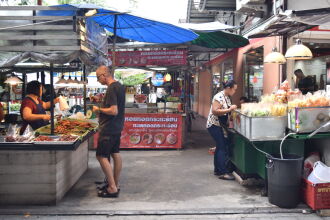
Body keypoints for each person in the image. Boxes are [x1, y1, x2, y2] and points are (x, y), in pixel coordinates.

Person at [92, 65, 125, 198]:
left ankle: (112, 187)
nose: (98, 80)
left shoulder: (111, 88)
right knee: (115, 153)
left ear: (104, 75)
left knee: (101, 156)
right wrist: (102, 103)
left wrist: (98, 110)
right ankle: (114, 184)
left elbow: (113, 110)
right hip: (117, 126)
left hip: (109, 127)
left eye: (98, 77)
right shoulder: (120, 86)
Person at [206, 80, 238, 180]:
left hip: (219, 125)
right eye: (234, 89)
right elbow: (215, 111)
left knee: (220, 146)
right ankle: (223, 172)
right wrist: (229, 109)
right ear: (228, 88)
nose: (235, 91)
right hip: (213, 125)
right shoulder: (219, 97)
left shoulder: (227, 97)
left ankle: (217, 170)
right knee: (222, 147)